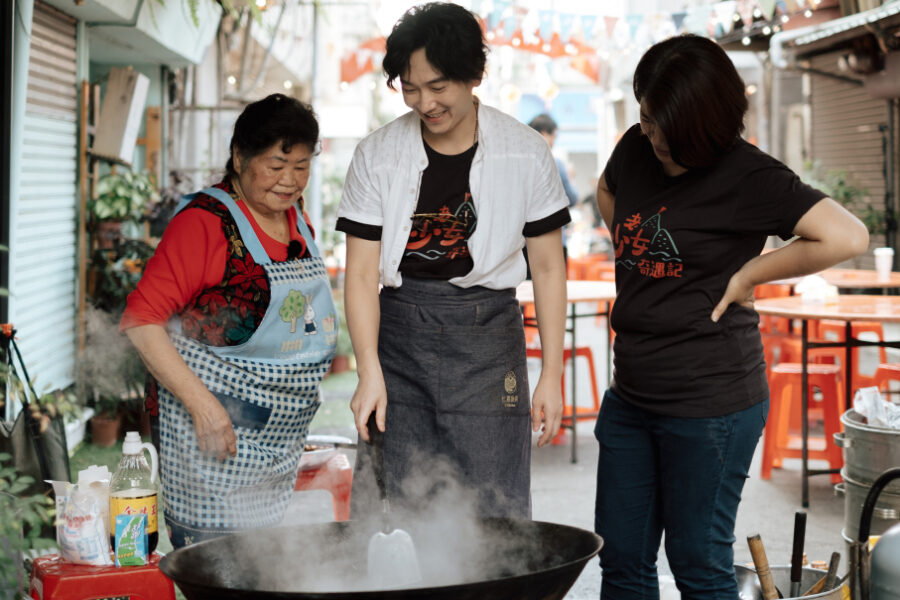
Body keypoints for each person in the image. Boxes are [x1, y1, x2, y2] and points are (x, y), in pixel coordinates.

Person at [593, 34, 868, 599]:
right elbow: (607, 190)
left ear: (705, 125)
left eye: (664, 125)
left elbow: (846, 234)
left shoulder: (749, 176)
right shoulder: (635, 147)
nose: (650, 133)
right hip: (632, 396)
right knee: (621, 559)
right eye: (646, 116)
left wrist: (748, 275)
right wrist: (635, 249)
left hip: (711, 405)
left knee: (696, 563)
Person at [336, 2, 569, 519]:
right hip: (400, 334)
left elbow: (549, 269)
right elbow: (360, 273)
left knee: (493, 504)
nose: (425, 102)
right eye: (410, 87)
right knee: (395, 502)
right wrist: (368, 370)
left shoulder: (525, 152)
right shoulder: (377, 155)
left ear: (473, 75)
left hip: (488, 336)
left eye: (438, 86)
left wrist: (551, 374)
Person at [120, 93, 336, 548]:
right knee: (218, 562)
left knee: (267, 563)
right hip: (213, 432)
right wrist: (203, 407)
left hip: (278, 438)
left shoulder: (298, 221)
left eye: (301, 166)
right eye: (276, 165)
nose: (290, 180)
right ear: (239, 156)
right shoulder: (204, 224)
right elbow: (142, 320)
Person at [528, 113, 578, 206]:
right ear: (544, 134)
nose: (553, 143)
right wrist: (571, 177)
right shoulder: (555, 164)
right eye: (554, 137)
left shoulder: (518, 162)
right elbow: (571, 198)